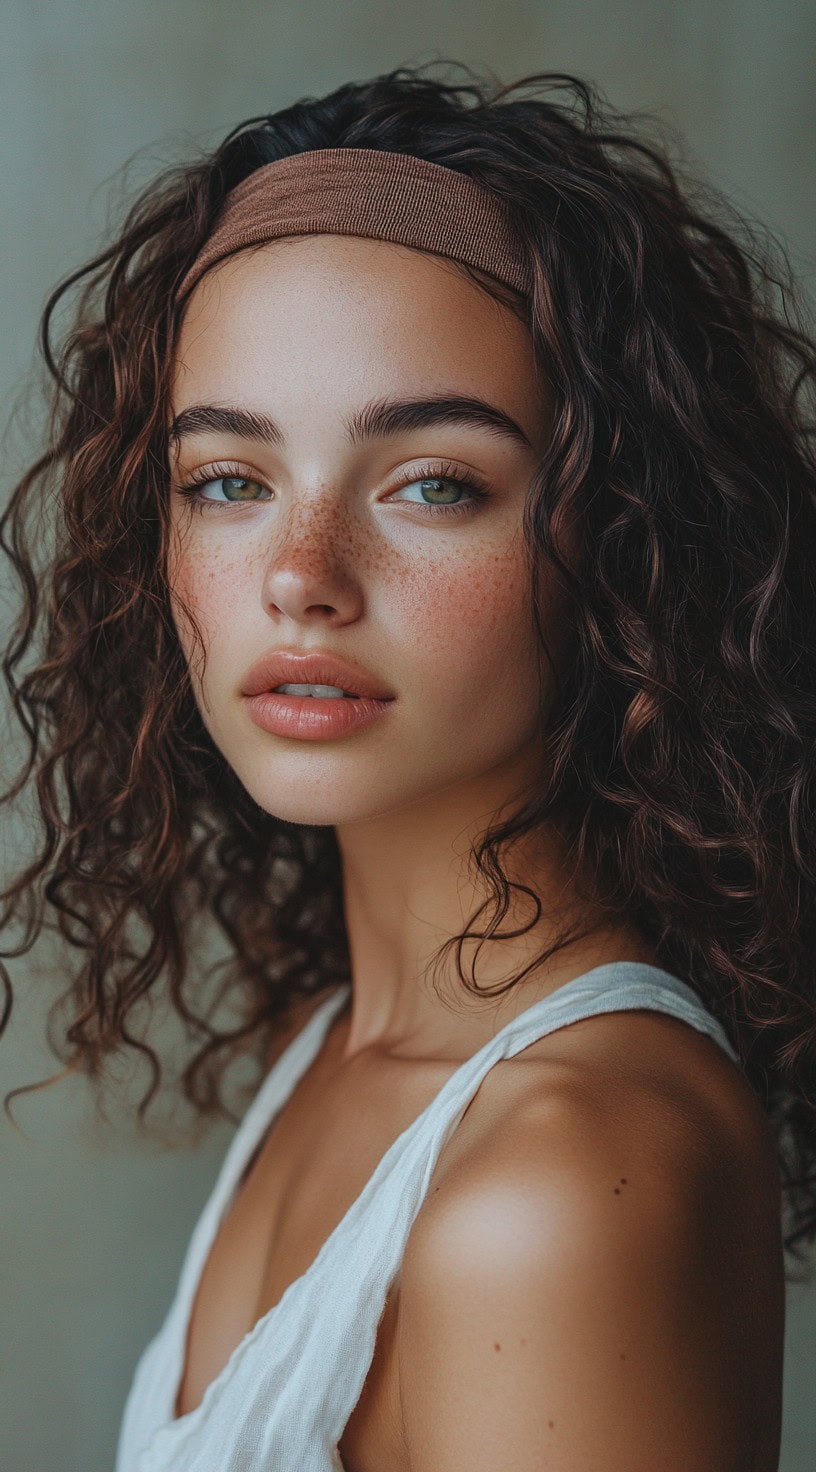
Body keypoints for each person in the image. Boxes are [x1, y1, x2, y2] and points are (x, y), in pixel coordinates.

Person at [1, 62, 813, 1472]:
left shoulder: (563, 1176)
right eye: (229, 482)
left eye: (433, 482)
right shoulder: (325, 1051)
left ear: (620, 552)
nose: (302, 577)